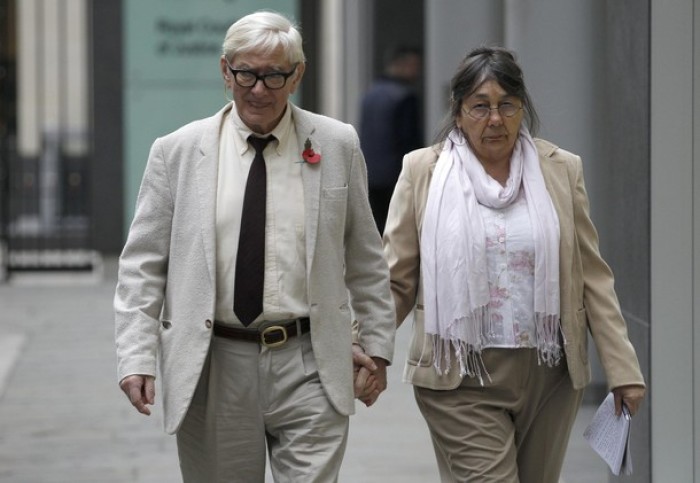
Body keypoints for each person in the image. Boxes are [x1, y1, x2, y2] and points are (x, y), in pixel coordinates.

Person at [114, 11, 395, 482]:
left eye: (274, 75)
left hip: (311, 362)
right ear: (225, 72)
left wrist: (378, 347)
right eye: (246, 73)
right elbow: (142, 265)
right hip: (216, 363)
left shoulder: (337, 144)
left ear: (297, 75)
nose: (259, 89)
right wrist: (136, 355)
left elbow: (366, 258)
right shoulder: (177, 152)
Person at [383, 46, 646, 483]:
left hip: (551, 375)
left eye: (507, 105)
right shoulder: (423, 171)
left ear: (523, 108)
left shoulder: (560, 170)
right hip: (459, 373)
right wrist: (367, 351)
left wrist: (623, 370)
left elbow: (593, 278)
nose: (495, 119)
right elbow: (396, 280)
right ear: (459, 110)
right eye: (480, 106)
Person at [359, 46, 423, 233]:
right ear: (401, 65)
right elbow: (409, 140)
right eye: (414, 65)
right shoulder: (405, 97)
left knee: (378, 229)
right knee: (399, 230)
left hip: (371, 174)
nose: (417, 71)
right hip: (396, 175)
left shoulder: (370, 94)